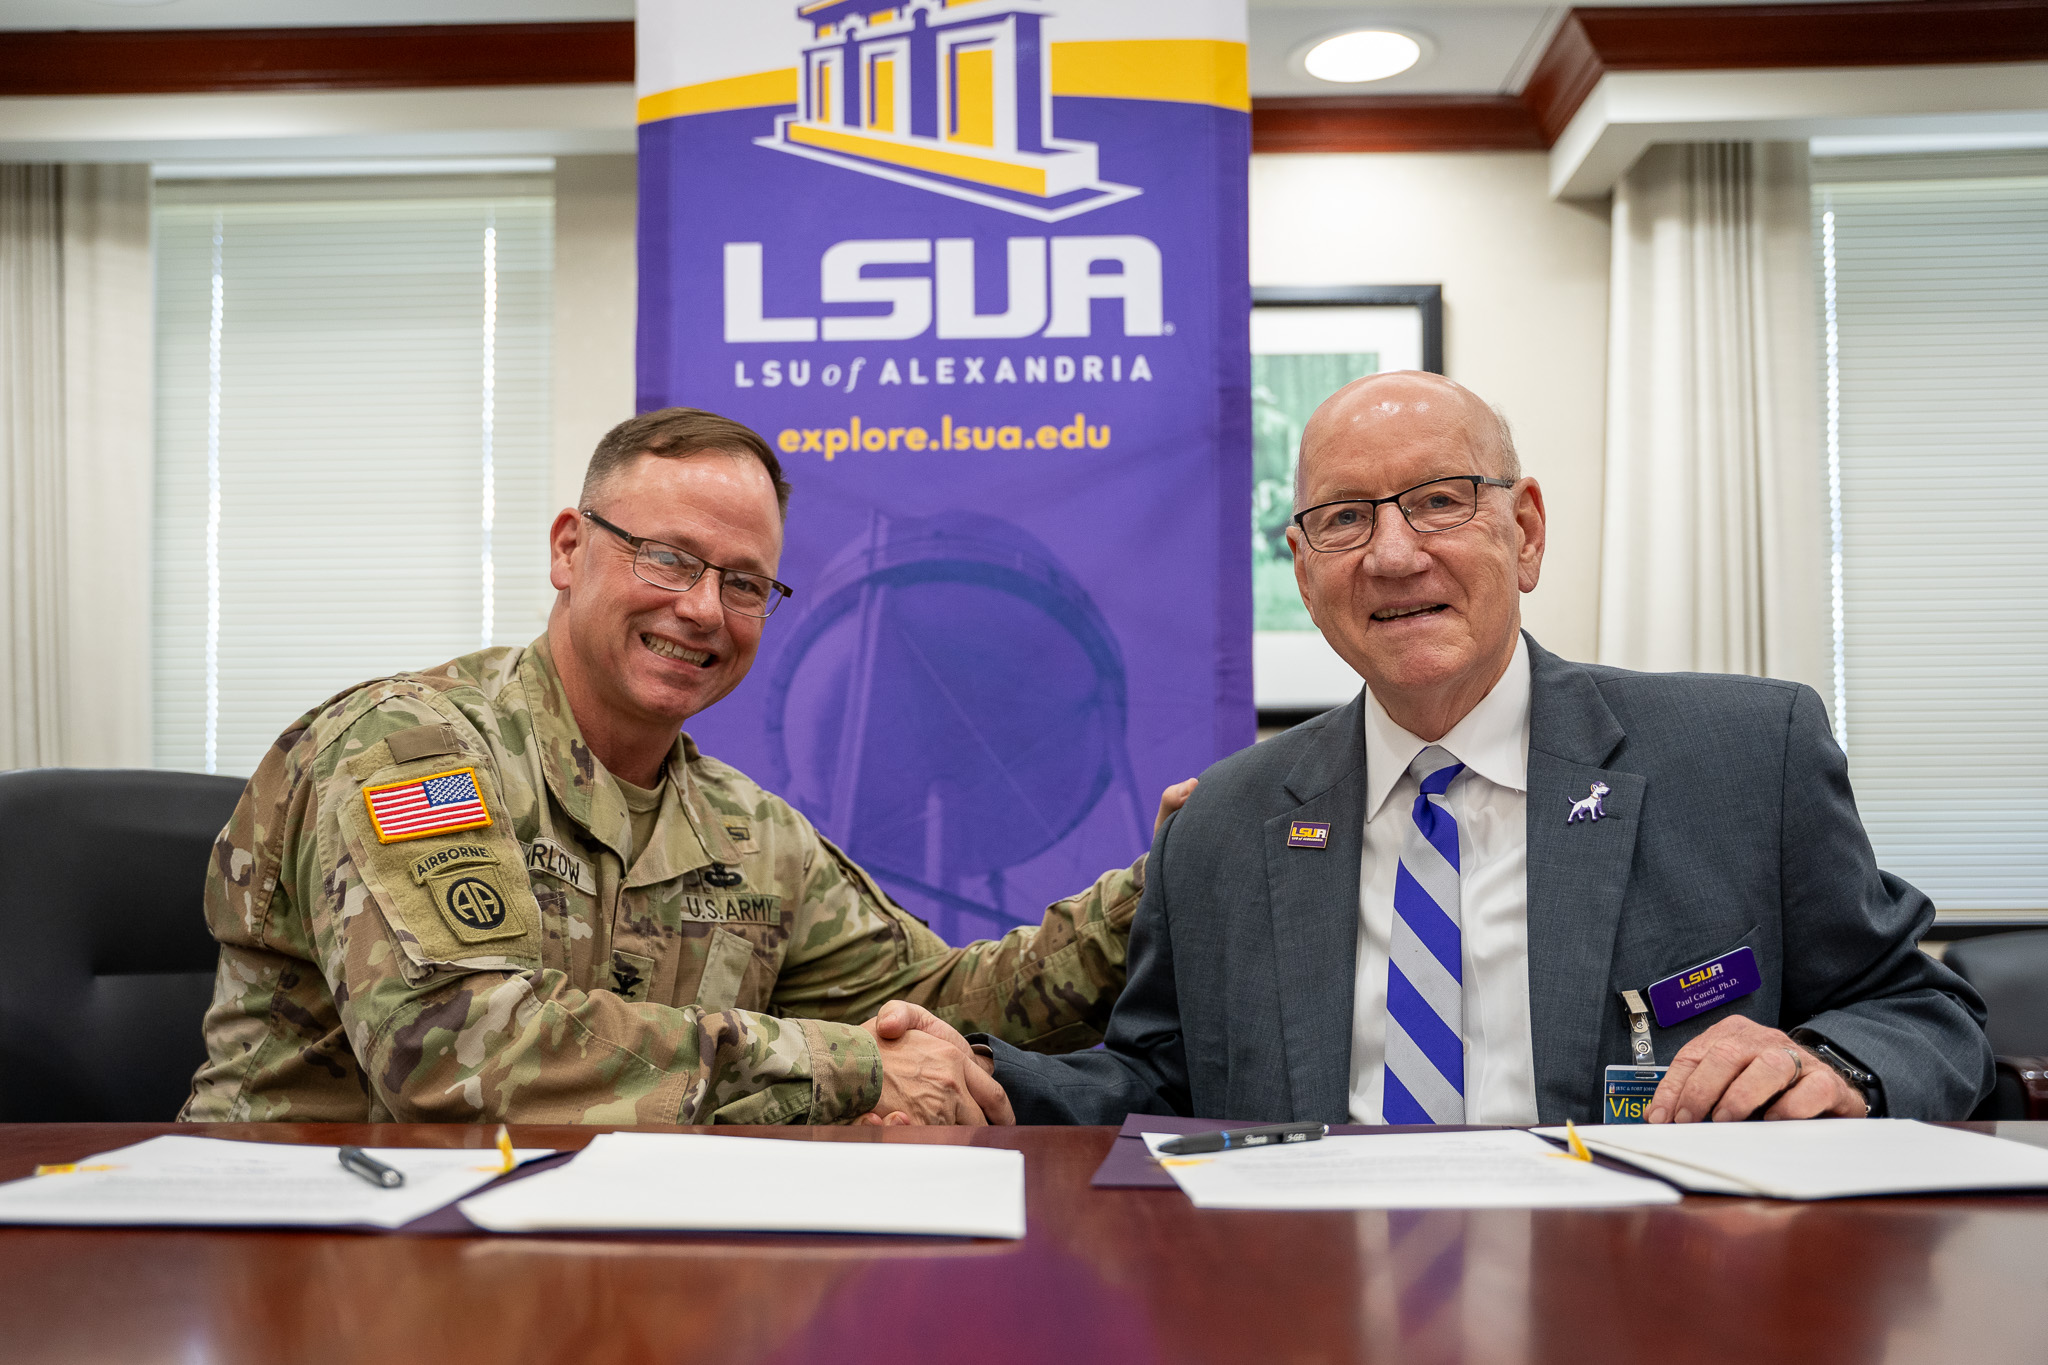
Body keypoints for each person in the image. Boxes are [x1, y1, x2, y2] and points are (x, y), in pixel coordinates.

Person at [973, 371, 1993, 1127]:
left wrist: (1835, 1068)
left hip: (1655, 1298)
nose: (1391, 553)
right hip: (1311, 1304)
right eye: (1341, 518)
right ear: (1301, 565)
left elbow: (1919, 1012)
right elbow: (1161, 1090)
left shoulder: (1741, 756)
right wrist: (979, 1076)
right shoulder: (1224, 824)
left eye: (1438, 499)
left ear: (1527, 530)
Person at [183, 408, 1182, 1127]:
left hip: (606, 1261)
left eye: (743, 583)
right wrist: (850, 1071)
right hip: (313, 1248)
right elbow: (455, 1048)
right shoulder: (412, 751)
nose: (702, 609)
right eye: (665, 559)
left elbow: (944, 1005)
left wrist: (1172, 878)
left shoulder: (748, 834)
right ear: (570, 550)